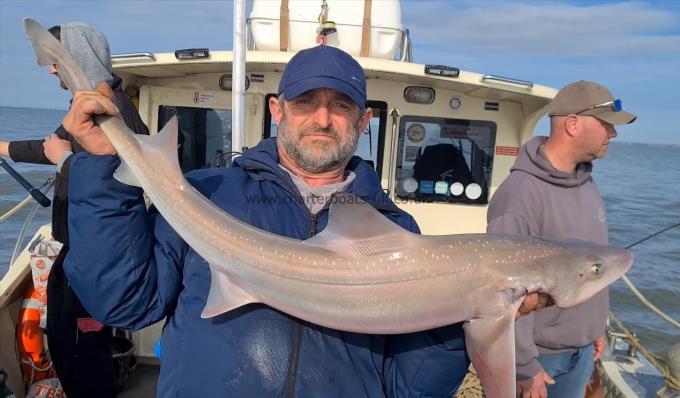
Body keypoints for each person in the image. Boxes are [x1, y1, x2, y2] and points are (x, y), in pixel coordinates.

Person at [61, 44, 545, 396]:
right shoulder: (210, 194)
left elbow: (408, 388)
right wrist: (102, 168)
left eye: (340, 106)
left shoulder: (396, 232)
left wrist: (460, 317)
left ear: (363, 122)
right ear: (277, 111)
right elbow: (125, 303)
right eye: (306, 103)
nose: (322, 119)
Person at [0, 23, 148, 397]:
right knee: (69, 351)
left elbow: (123, 186)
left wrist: (65, 161)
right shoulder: (91, 109)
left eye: (55, 61)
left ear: (79, 59)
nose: (50, 70)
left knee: (85, 359)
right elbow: (49, 146)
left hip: (97, 263)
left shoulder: (113, 115)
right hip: (79, 257)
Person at [487, 80, 636, 398]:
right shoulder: (520, 195)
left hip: (583, 351)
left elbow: (590, 268)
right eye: (607, 124)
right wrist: (524, 368)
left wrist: (597, 328)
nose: (614, 134)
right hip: (538, 360)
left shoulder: (586, 184)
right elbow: (503, 293)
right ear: (572, 123)